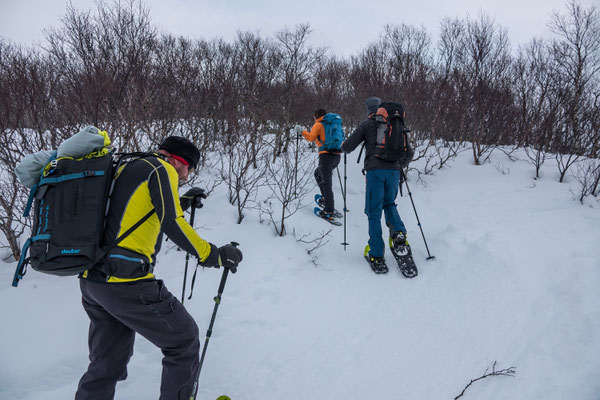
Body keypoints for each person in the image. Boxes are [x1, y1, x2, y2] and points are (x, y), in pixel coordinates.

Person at [75, 136, 243, 400]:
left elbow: (126, 212)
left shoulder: (127, 166)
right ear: (178, 161)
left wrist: (183, 201)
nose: (187, 176)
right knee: (183, 341)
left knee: (107, 363)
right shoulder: (160, 168)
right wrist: (214, 256)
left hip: (93, 283)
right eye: (189, 168)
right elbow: (172, 222)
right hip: (125, 283)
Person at [341, 97, 414, 273]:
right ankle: (398, 234)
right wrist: (397, 165)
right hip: (394, 172)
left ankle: (376, 253)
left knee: (373, 212)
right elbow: (409, 153)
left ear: (369, 110)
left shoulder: (367, 125)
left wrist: (342, 146)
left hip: (375, 172)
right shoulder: (394, 123)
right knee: (389, 204)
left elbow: (348, 147)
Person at [295, 108, 342, 220]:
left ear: (316, 116)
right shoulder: (332, 124)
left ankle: (328, 211)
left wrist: (301, 131)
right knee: (318, 173)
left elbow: (311, 138)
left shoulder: (318, 124)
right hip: (336, 156)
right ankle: (326, 199)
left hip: (326, 156)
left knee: (327, 184)